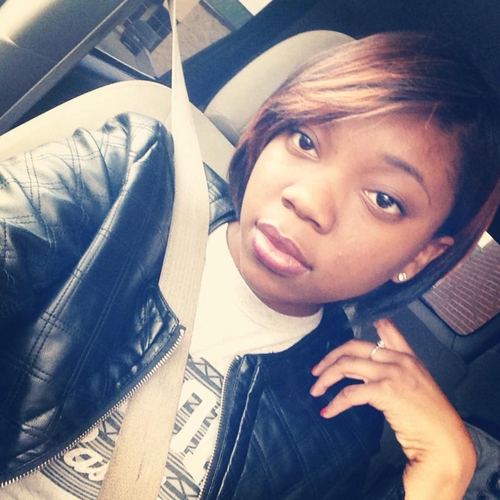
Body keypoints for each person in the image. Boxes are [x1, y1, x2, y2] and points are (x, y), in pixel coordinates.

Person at [0, 31, 499, 499]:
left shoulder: (340, 423)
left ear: (420, 255)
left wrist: (445, 470)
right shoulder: (132, 173)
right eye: (305, 140)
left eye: (383, 199)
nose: (308, 201)